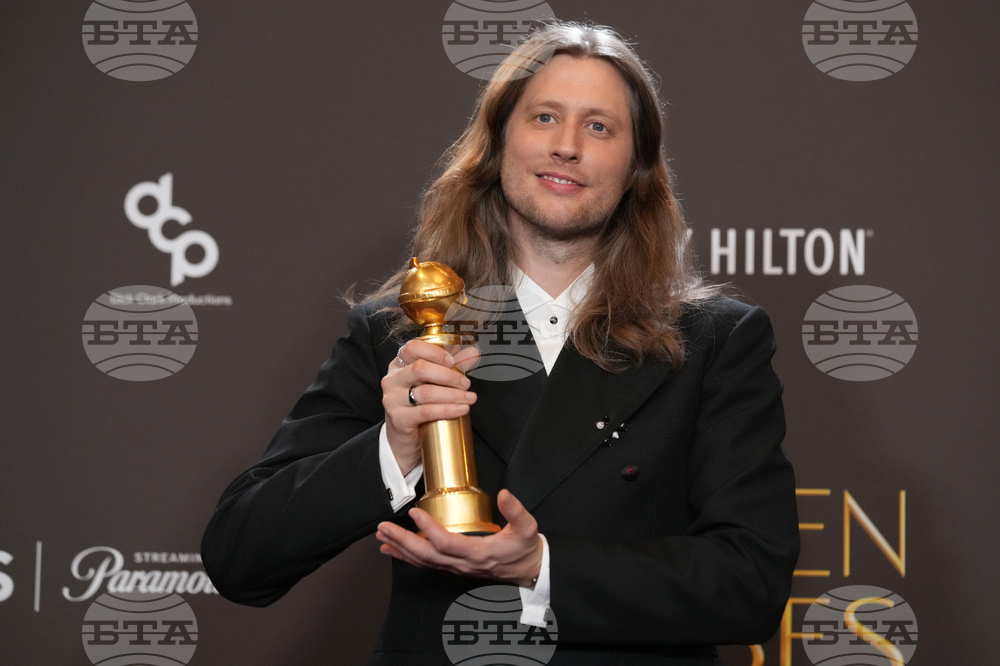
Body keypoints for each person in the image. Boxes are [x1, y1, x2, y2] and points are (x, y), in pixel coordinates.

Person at [202, 21, 799, 665]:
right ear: (497, 144)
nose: (566, 146)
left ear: (636, 170)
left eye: (599, 126)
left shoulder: (713, 340)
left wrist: (541, 565)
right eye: (544, 116)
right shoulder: (398, 331)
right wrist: (392, 447)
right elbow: (240, 556)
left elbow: (751, 584)